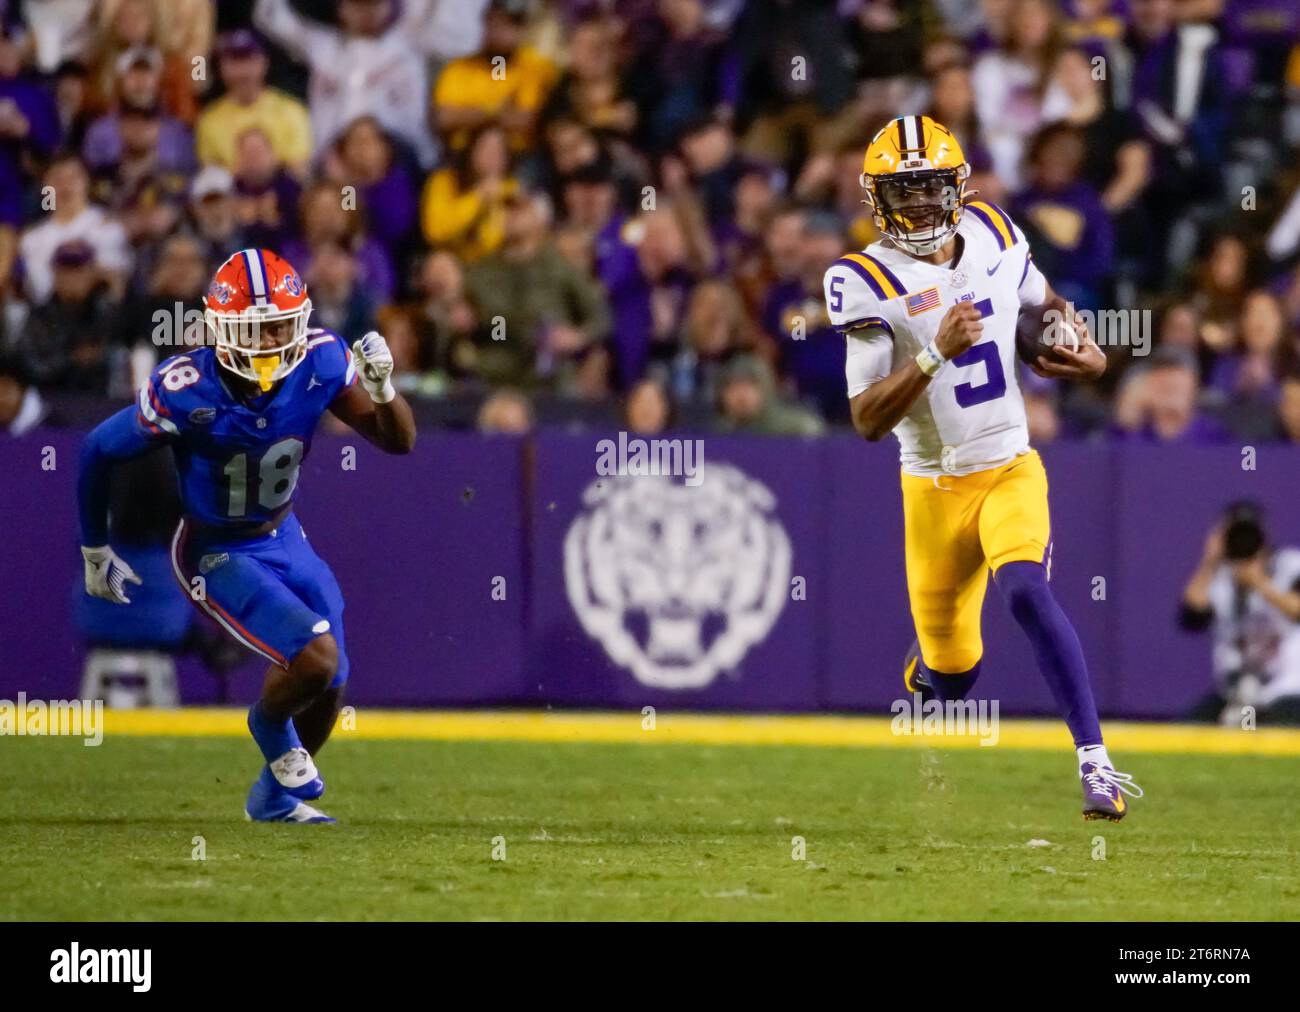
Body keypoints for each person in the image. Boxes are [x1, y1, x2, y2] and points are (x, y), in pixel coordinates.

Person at [823, 114, 1142, 820]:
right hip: (931, 488)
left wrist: (1080, 347)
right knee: (952, 676)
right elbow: (867, 418)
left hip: (1007, 466)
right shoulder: (862, 277)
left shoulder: (996, 234)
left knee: (1025, 589)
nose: (921, 207)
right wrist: (932, 353)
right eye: (904, 193)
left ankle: (1097, 764)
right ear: (878, 199)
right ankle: (930, 669)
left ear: (957, 189)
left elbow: (1041, 313)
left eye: (933, 190)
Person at [77, 248, 417, 823]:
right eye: (254, 329)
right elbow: (98, 449)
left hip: (283, 536)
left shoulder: (323, 360)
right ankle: (266, 723)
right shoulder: (186, 387)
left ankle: (271, 799)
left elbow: (399, 442)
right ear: (221, 329)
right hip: (214, 549)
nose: (269, 341)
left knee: (333, 678)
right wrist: (94, 548)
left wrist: (384, 389)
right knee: (314, 657)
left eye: (281, 325)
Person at [1179, 502, 1300, 725]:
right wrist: (1210, 560)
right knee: (1187, 730)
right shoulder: (1219, 576)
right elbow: (1191, 616)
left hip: (1285, 690)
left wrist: (1259, 582)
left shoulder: (1288, 565)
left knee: (1284, 727)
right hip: (1233, 692)